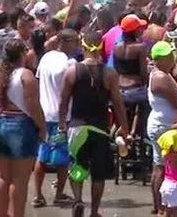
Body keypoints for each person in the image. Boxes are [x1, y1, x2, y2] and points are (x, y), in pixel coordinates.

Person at [58, 31, 130, 217]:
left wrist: (61, 123)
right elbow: (118, 104)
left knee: (77, 166)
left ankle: (78, 199)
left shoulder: (72, 71)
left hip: (77, 127)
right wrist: (124, 127)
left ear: (83, 46)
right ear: (101, 48)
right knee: (98, 173)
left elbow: (63, 101)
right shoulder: (109, 73)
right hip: (100, 129)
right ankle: (95, 211)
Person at [0, 39, 47, 217]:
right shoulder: (25, 75)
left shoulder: (1, 74)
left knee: (3, 176)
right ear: (20, 54)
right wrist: (42, 128)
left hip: (2, 123)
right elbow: (33, 106)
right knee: (20, 179)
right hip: (21, 126)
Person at [33, 29, 79, 208]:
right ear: (64, 42)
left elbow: (38, 81)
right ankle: (59, 194)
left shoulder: (46, 57)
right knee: (63, 159)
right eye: (75, 41)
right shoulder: (70, 63)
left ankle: (37, 195)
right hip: (63, 117)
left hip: (44, 114)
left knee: (42, 156)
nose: (78, 44)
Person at [147, 41, 177, 215]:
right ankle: (162, 206)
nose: (173, 59)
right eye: (169, 57)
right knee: (163, 167)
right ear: (160, 59)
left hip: (161, 123)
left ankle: (159, 205)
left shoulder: (162, 73)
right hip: (164, 126)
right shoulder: (161, 77)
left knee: (158, 165)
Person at [114, 14, 150, 137]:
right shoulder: (140, 48)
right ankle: (136, 134)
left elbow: (117, 70)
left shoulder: (116, 47)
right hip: (135, 89)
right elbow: (143, 73)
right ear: (134, 31)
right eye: (139, 28)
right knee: (144, 107)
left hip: (119, 90)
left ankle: (118, 132)